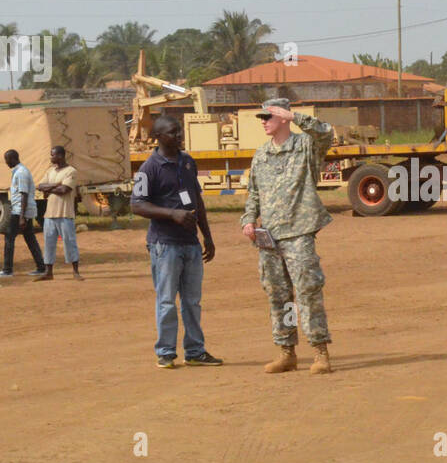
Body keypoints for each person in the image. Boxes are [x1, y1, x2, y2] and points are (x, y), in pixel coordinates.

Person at [240, 98, 336, 375]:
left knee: (308, 292)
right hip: (269, 238)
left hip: (299, 232)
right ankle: (287, 351)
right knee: (279, 295)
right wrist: (248, 220)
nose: (263, 122)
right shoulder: (261, 154)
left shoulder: (305, 147)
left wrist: (296, 116)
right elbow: (254, 193)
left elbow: (326, 133)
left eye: (267, 116)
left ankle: (320, 351)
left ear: (282, 118)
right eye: (261, 118)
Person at [131, 115, 222, 369]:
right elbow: (136, 205)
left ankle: (195, 351)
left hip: (190, 244)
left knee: (192, 301)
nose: (179, 135)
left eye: (179, 131)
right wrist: (172, 214)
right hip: (165, 245)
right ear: (158, 137)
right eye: (173, 132)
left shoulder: (187, 162)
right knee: (167, 300)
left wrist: (208, 236)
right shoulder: (149, 168)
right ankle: (166, 352)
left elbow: (197, 201)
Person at [0, 149, 45, 278]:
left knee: (9, 238)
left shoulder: (21, 173)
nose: (6, 162)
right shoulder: (20, 171)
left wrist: (22, 217)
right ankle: (41, 267)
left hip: (20, 211)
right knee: (30, 238)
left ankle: (7, 269)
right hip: (22, 211)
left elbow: (24, 194)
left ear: (12, 159)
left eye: (7, 160)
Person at [37, 145, 83, 281]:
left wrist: (49, 188)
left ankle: (75, 271)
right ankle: (48, 271)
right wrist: (56, 185)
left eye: (53, 155)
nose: (51, 157)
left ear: (61, 156)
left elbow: (64, 190)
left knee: (69, 242)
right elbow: (40, 186)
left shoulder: (71, 171)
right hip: (50, 214)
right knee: (48, 243)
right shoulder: (50, 171)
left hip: (65, 213)